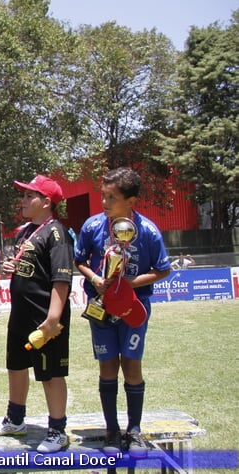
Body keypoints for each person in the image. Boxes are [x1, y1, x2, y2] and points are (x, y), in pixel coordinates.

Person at [74, 167, 171, 456]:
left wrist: (129, 284)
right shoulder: (92, 227)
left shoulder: (148, 231)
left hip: (133, 309)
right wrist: (96, 280)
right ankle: (112, 430)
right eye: (103, 196)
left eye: (111, 198)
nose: (104, 203)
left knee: (131, 365)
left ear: (131, 201)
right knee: (107, 367)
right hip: (101, 308)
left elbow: (162, 269)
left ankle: (135, 429)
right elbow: (80, 261)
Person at [0, 175, 73, 453]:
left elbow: (61, 279)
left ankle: (57, 430)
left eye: (31, 196)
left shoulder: (57, 233)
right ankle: (16, 418)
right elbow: (28, 267)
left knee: (50, 373)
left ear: (47, 202)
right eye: (24, 195)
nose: (24, 201)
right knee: (15, 365)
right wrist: (11, 270)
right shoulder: (25, 231)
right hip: (20, 314)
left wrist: (53, 319)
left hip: (44, 317)